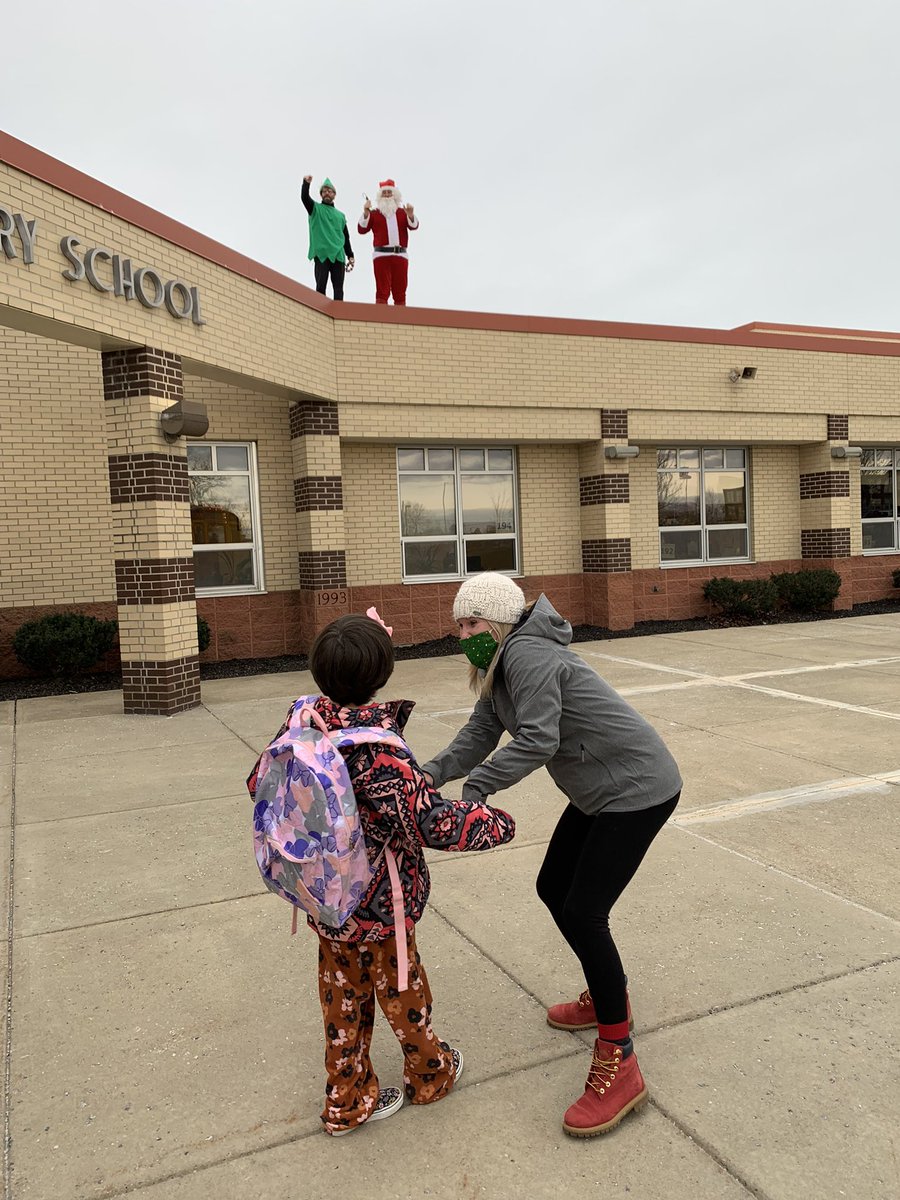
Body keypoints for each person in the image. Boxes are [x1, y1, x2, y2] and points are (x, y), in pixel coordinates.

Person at [420, 573, 682, 1138]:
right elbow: (479, 733)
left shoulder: (529, 654)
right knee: (553, 890)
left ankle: (621, 1057)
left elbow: (538, 738)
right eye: (459, 625)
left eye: (472, 624)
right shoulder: (500, 664)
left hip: (636, 789)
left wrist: (476, 791)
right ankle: (609, 994)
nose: (464, 635)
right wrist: (426, 776)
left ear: (500, 622)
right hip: (600, 792)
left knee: (585, 910)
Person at [250, 611, 515, 1137]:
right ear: (381, 676)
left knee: (341, 1003)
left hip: (324, 900)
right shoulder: (378, 752)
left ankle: (346, 1104)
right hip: (379, 910)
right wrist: (493, 822)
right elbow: (430, 821)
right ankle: (430, 1074)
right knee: (403, 992)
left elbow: (259, 786)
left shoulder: (299, 725)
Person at [357, 179, 418, 304]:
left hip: (400, 255)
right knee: (382, 292)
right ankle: (380, 319)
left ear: (395, 194)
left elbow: (414, 226)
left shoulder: (402, 212)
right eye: (384, 193)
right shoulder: (374, 213)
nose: (387, 195)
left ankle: (401, 320)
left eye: (389, 192)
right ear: (380, 195)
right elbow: (362, 229)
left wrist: (411, 215)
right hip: (381, 256)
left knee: (400, 292)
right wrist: (365, 213)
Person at [301, 175, 355, 300]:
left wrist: (350, 255)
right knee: (320, 287)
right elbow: (305, 198)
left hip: (338, 255)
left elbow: (346, 237)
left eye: (329, 191)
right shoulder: (315, 209)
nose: (327, 193)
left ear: (334, 195)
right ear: (321, 194)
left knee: (338, 289)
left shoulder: (340, 216)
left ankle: (339, 314)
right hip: (322, 254)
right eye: (324, 191)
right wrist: (306, 184)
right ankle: (320, 316)